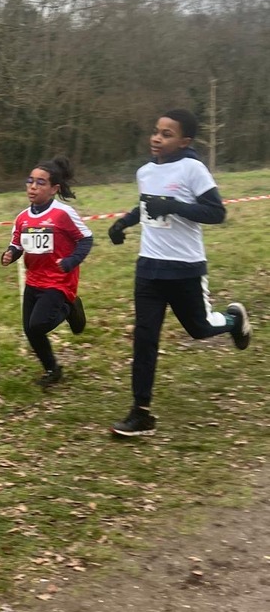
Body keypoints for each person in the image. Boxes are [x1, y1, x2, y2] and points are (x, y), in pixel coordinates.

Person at [107, 108, 251, 437]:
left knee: (199, 329)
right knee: (145, 338)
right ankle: (141, 413)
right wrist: (123, 223)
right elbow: (147, 205)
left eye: (167, 134)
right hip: (149, 269)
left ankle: (233, 320)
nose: (157, 138)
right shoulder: (145, 172)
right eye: (156, 131)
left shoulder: (192, 169)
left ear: (185, 141)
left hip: (185, 269)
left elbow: (216, 212)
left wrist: (173, 206)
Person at [1, 156, 93, 387]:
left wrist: (71, 261)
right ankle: (53, 370)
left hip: (59, 280)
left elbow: (86, 239)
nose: (33, 186)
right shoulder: (22, 218)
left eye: (40, 183)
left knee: (38, 325)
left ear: (54, 189)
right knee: (31, 330)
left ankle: (69, 307)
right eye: (30, 181)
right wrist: (10, 254)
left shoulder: (63, 213)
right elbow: (17, 245)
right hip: (34, 280)